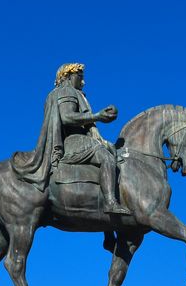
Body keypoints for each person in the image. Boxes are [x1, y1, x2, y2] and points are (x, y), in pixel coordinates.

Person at [11, 63, 131, 214]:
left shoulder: (60, 93)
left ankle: (108, 229)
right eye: (80, 77)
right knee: (107, 157)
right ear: (68, 77)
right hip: (72, 141)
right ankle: (110, 203)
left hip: (73, 140)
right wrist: (97, 116)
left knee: (109, 150)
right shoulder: (66, 91)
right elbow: (67, 117)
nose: (83, 82)